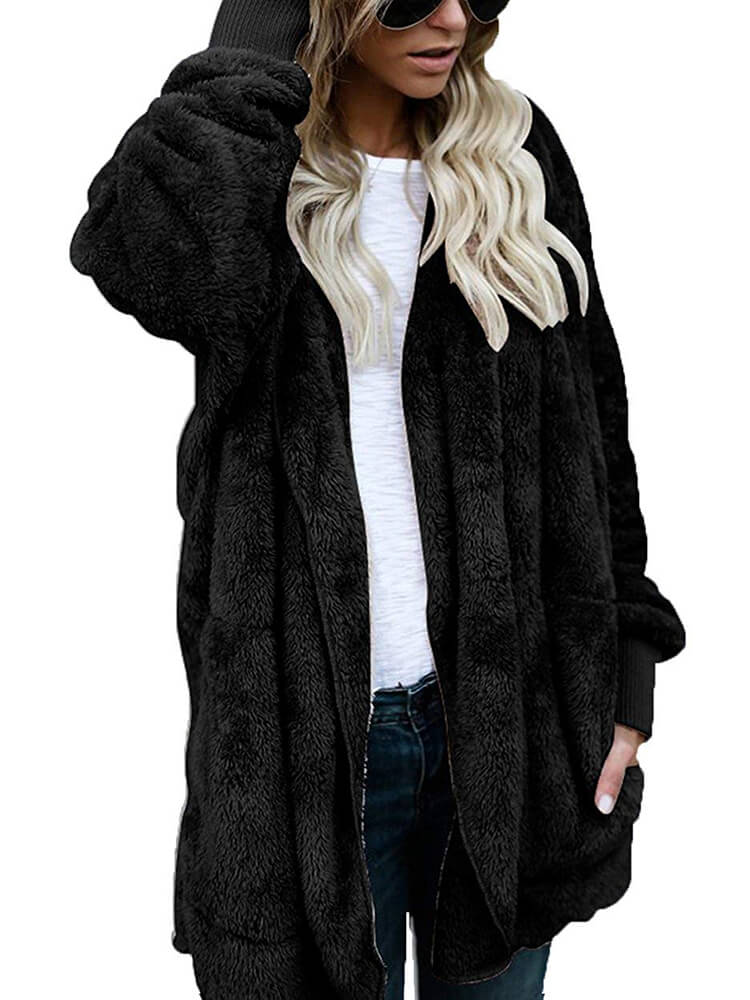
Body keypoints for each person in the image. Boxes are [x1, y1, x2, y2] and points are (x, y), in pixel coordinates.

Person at [68, 2, 686, 998]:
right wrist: (254, 36)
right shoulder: (256, 168)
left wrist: (627, 674)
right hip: (300, 756)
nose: (452, 17)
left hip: (510, 736)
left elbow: (593, 428)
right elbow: (147, 261)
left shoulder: (513, 156)